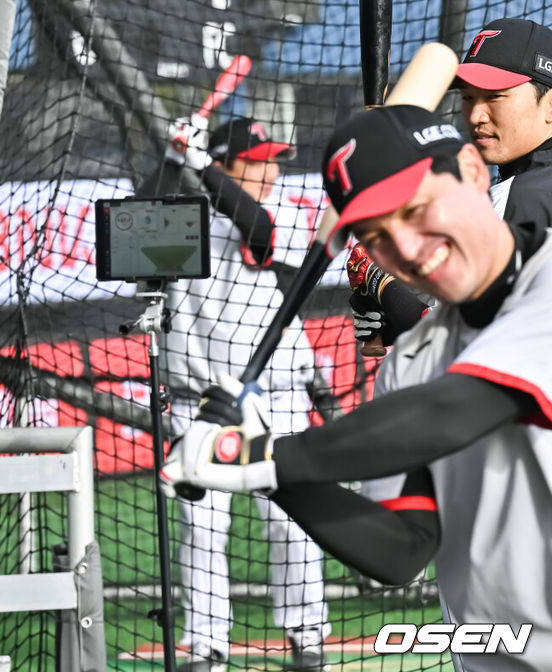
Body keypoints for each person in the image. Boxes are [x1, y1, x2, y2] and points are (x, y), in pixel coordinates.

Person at [161, 103, 552, 672]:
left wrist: (268, 458)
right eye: (376, 235)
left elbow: (458, 409)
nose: (408, 250)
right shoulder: (412, 361)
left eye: (416, 210)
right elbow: (400, 552)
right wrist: (274, 478)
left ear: (471, 172)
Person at [140, 117, 331, 672]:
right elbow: (139, 218)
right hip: (202, 400)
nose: (273, 170)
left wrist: (199, 164)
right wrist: (176, 157)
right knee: (203, 525)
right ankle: (206, 650)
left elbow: (257, 228)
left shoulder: (288, 215)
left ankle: (307, 637)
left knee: (291, 521)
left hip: (279, 395)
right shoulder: (183, 222)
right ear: (227, 162)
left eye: (275, 159)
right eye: (260, 159)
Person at [350, 17, 552, 350]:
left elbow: (467, 354)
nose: (476, 116)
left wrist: (380, 284)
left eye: (495, 97)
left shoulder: (524, 199)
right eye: (469, 98)